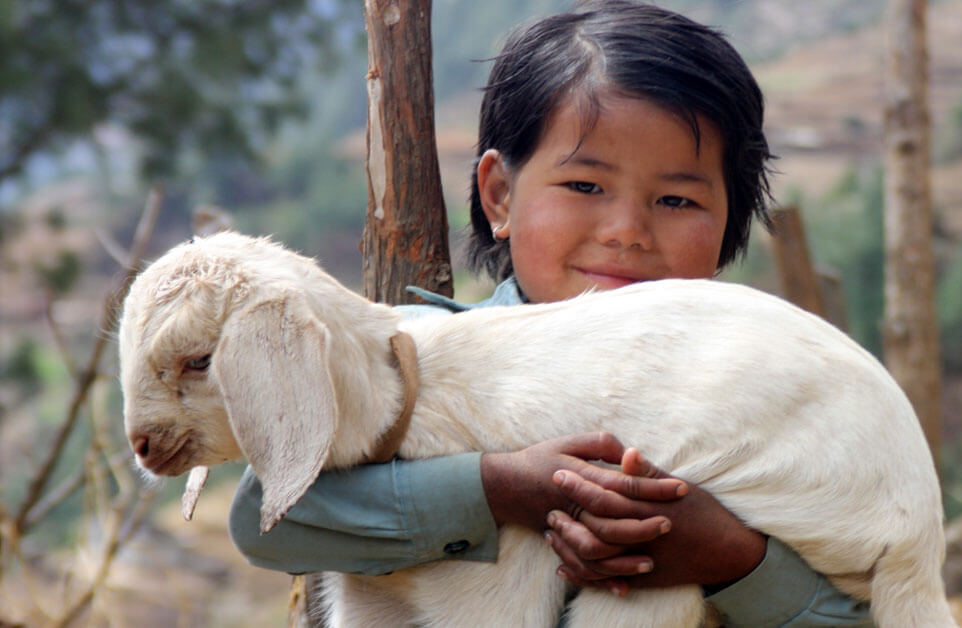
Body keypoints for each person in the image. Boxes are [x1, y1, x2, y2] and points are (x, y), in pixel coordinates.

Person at [229, 2, 874, 626]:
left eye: (676, 200)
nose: (628, 231)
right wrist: (498, 489)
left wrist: (734, 560)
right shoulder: (412, 364)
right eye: (585, 186)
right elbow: (265, 516)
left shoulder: (764, 412)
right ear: (500, 194)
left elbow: (877, 605)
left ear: (730, 223)